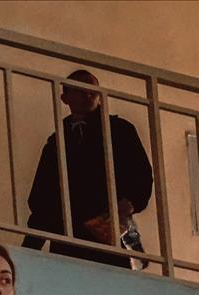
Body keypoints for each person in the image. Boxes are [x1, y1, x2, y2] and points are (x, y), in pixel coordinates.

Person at [22, 69, 153, 269]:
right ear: (65, 98)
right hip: (70, 237)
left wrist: (131, 203)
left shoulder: (119, 131)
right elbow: (43, 198)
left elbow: (141, 175)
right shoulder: (57, 141)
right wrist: (30, 248)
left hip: (109, 232)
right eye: (80, 90)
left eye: (93, 90)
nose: (88, 95)